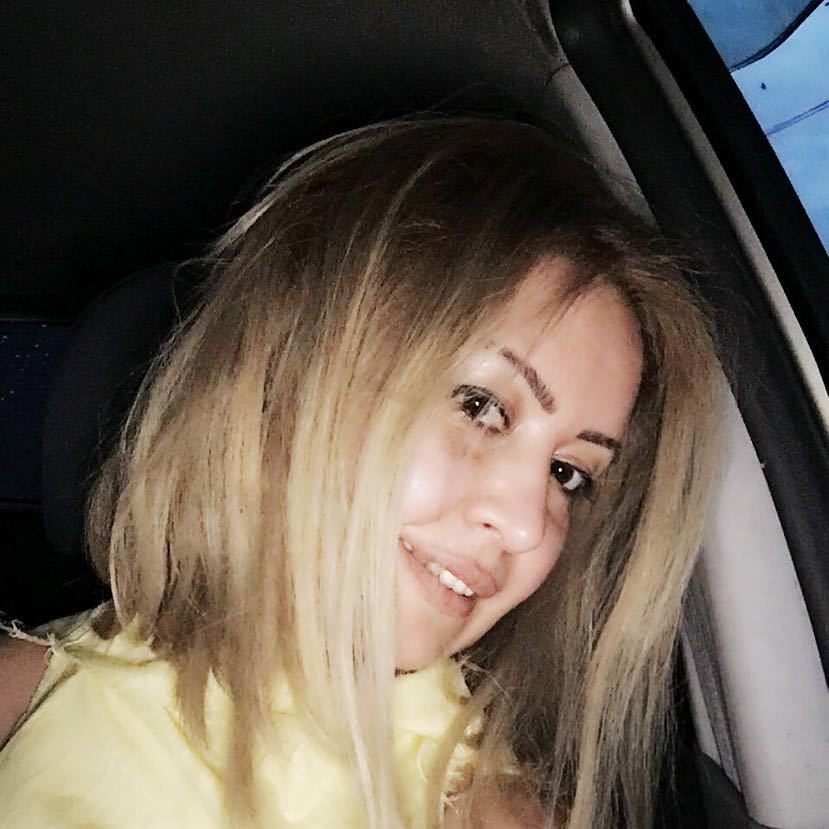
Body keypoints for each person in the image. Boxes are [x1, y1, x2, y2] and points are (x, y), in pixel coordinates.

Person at [0, 117, 719, 828]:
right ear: (290, 372)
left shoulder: (485, 808)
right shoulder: (35, 690)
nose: (528, 525)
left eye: (568, 473)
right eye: (481, 407)